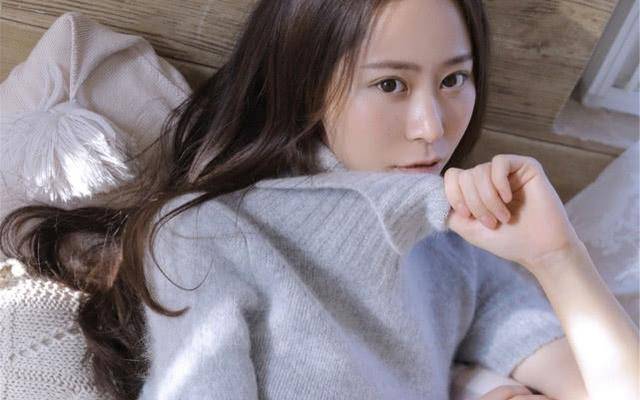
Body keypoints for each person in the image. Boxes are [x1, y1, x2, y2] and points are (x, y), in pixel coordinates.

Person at [1, 0, 637, 399]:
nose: (432, 126)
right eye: (390, 84)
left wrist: (557, 254)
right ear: (306, 86)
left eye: (454, 78)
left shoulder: (460, 246)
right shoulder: (211, 232)